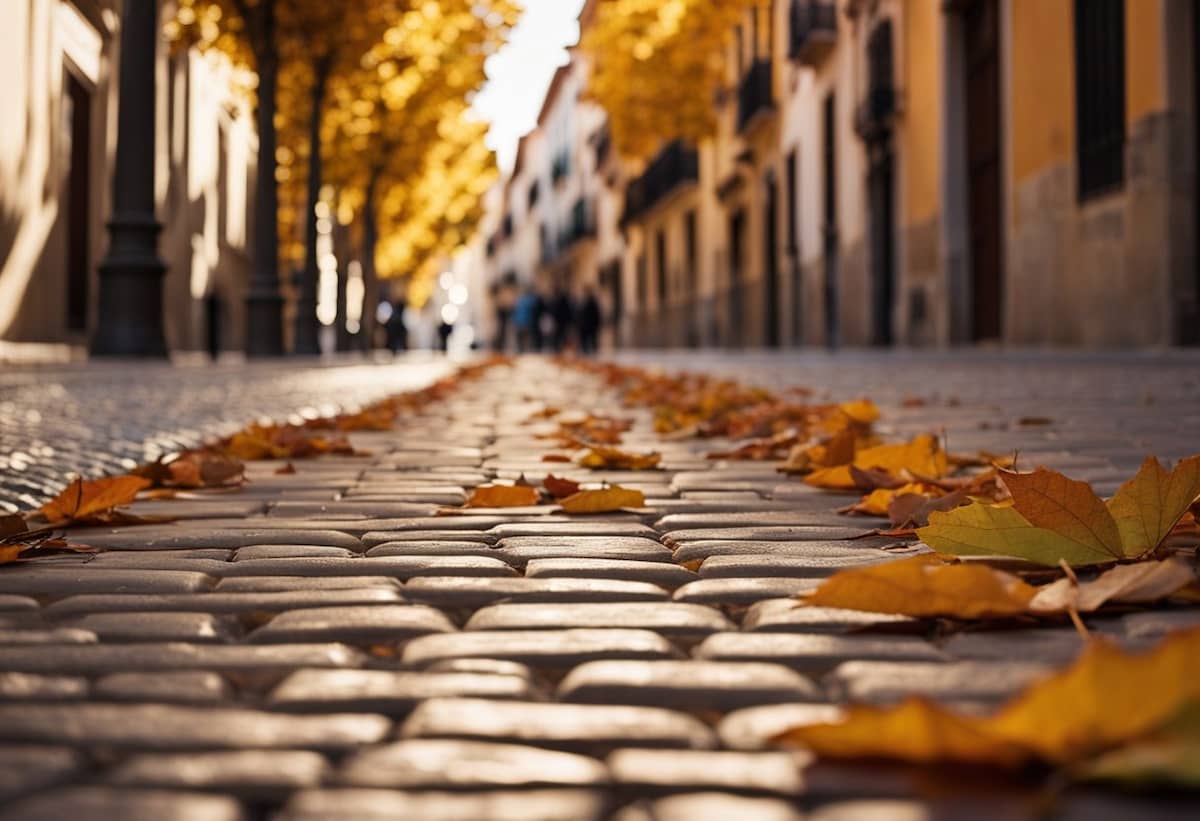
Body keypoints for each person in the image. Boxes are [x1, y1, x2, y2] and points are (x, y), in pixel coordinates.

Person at [513, 287, 542, 353]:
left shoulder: (519, 300)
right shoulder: (530, 300)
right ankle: (525, 350)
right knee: (525, 338)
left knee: (523, 338)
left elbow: (515, 312)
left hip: (522, 322)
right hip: (525, 322)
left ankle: (523, 350)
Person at [578, 286, 601, 355]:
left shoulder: (592, 301)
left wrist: (597, 324)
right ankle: (586, 353)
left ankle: (593, 353)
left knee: (593, 341)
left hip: (591, 325)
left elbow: (596, 314)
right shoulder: (583, 301)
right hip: (585, 325)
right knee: (585, 342)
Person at [550, 286, 574, 352]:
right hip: (563, 322)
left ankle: (559, 349)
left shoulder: (557, 301)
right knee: (562, 337)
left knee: (559, 337)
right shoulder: (564, 301)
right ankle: (562, 349)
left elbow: (555, 312)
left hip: (560, 322)